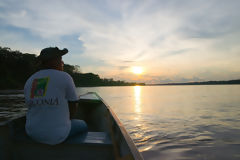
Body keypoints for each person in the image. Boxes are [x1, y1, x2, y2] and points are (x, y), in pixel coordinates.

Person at [24, 47, 87, 145]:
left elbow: (31, 107)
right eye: (60, 60)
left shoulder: (30, 80)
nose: (62, 63)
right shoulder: (65, 76)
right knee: (83, 124)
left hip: (32, 133)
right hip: (57, 135)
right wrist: (68, 120)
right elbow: (73, 104)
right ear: (53, 61)